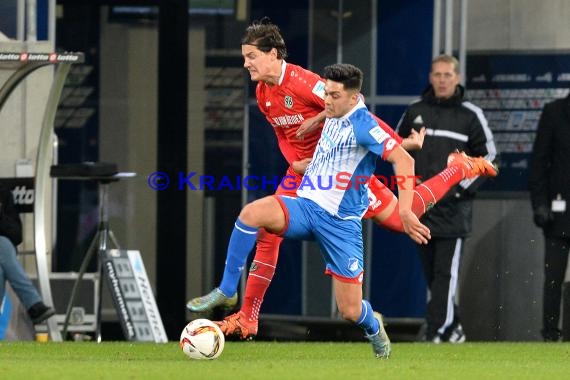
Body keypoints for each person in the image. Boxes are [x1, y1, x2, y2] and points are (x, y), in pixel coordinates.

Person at [187, 19, 497, 340]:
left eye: (251, 55)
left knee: (405, 216)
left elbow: (353, 106)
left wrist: (397, 144)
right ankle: (246, 317)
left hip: (344, 177)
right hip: (305, 174)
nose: (245, 62)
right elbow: (281, 133)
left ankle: (458, 168)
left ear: (274, 54)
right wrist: (295, 161)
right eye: (245, 56)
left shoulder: (305, 82)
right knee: (265, 228)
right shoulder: (264, 92)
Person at [397, 54, 498, 343]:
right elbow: (393, 147)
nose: (442, 80)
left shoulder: (470, 114)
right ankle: (452, 329)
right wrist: (407, 188)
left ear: (457, 78)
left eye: (447, 75)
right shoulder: (415, 110)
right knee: (432, 276)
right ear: (430, 78)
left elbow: (490, 157)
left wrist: (459, 188)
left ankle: (438, 330)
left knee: (445, 275)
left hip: (454, 210)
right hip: (420, 209)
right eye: (437, 75)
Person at [528, 93, 570, 342]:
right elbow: (539, 162)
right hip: (558, 214)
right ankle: (550, 335)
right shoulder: (554, 112)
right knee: (553, 278)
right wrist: (540, 204)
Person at [0, 185, 55, 325]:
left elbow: (17, 236)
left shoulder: (2, 192)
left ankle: (33, 304)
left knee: (4, 245)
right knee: (3, 244)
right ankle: (33, 304)